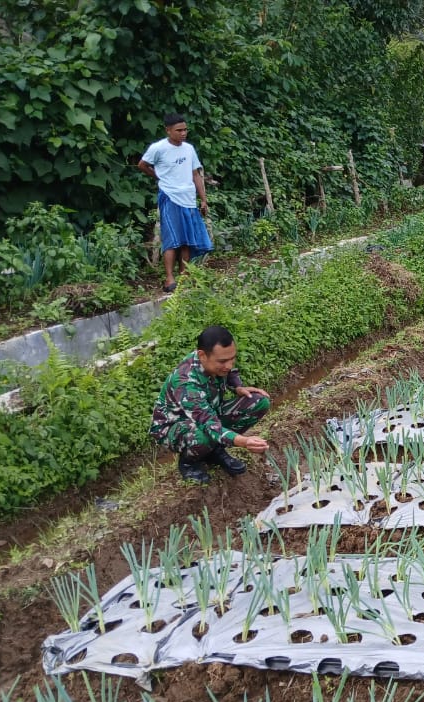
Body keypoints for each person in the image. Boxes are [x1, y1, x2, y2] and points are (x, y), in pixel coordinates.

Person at [150, 326, 270, 484]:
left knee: (258, 402)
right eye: (222, 361)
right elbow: (209, 424)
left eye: (232, 358)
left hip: (208, 414)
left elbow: (230, 371)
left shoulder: (217, 360)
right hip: (175, 427)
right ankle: (188, 462)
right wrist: (245, 442)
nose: (228, 365)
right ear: (202, 355)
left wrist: (237, 387)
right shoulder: (186, 383)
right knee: (201, 434)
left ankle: (214, 450)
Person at [138, 113, 213, 293]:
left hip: (188, 198)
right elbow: (142, 164)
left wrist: (203, 200)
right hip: (170, 197)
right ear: (168, 130)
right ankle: (169, 277)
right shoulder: (158, 148)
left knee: (187, 238)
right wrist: (159, 176)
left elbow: (195, 174)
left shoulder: (189, 149)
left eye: (185, 129)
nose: (183, 133)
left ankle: (184, 275)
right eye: (179, 130)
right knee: (172, 238)